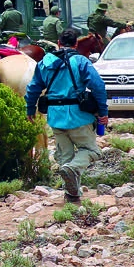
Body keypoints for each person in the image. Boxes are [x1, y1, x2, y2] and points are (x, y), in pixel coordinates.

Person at [25, 28, 109, 204]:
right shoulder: (80, 61)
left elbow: (33, 88)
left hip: (55, 117)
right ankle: (73, 171)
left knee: (65, 156)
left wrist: (30, 109)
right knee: (91, 150)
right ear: (76, 43)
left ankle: (72, 195)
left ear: (58, 43)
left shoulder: (44, 63)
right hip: (79, 116)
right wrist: (103, 112)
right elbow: (98, 86)